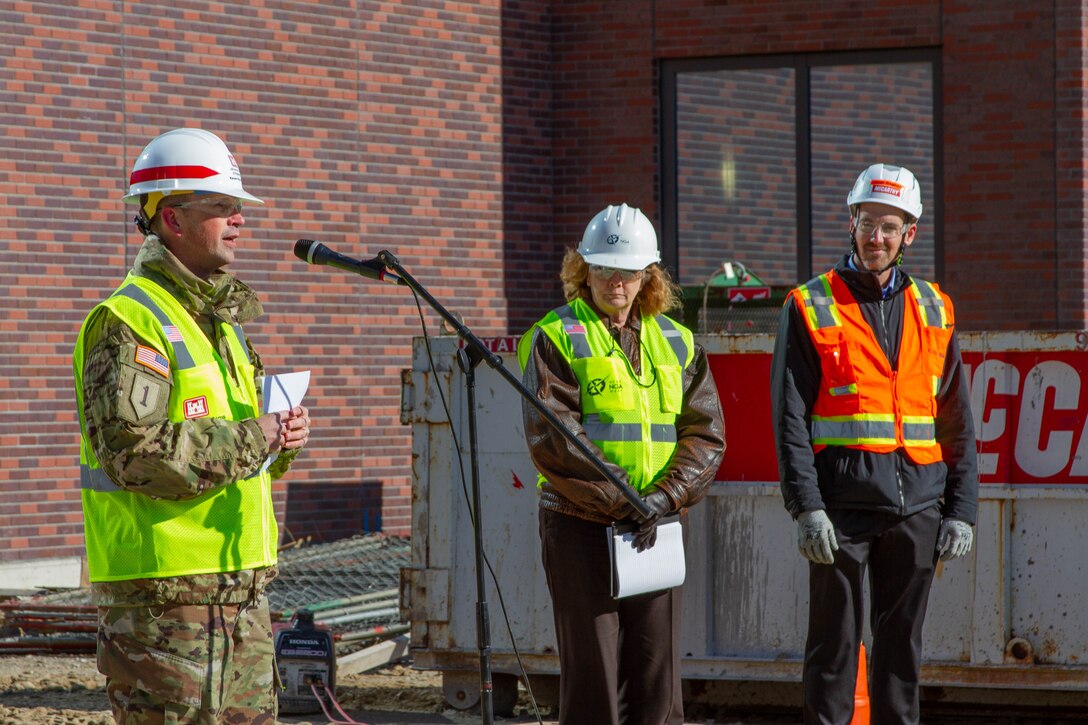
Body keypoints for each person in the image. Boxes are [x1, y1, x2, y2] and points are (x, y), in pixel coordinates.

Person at [73, 128, 311, 724]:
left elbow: (240, 449)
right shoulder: (129, 320)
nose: (239, 222)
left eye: (238, 209)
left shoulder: (222, 323)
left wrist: (282, 440)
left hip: (238, 595)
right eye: (222, 208)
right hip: (165, 604)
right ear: (172, 218)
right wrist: (261, 433)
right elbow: (137, 455)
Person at [770, 163, 978, 724]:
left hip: (918, 508)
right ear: (852, 224)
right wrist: (806, 507)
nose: (876, 237)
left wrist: (961, 511)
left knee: (901, 657)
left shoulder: (935, 309)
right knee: (833, 654)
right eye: (867, 223)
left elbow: (956, 420)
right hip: (841, 509)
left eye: (890, 226)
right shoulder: (810, 305)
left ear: (909, 233)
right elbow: (789, 418)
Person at [517, 203, 726, 725]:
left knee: (657, 687)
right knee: (593, 686)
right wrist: (630, 503)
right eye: (605, 268)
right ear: (584, 270)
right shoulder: (556, 335)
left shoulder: (677, 342)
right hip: (581, 527)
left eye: (629, 270)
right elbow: (556, 441)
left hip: (655, 526)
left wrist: (661, 499)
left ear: (646, 276)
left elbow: (706, 434)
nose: (617, 281)